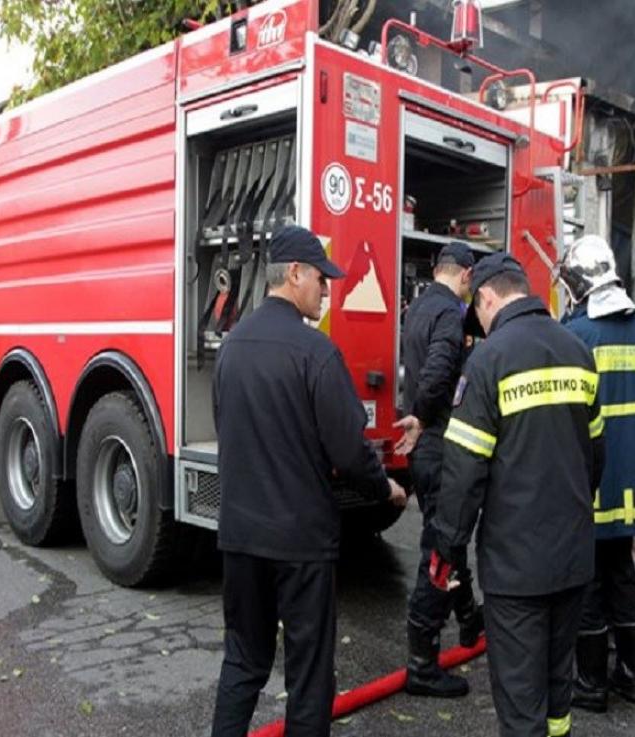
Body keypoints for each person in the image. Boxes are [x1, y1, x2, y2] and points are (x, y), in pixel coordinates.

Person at [211, 225, 408, 737]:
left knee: (243, 662)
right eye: (322, 279)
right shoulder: (315, 353)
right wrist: (386, 490)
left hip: (240, 538)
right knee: (309, 675)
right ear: (294, 274)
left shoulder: (231, 348)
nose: (327, 290)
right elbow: (349, 450)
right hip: (300, 542)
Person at [431, 252, 605, 737]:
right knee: (557, 693)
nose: (481, 326)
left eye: (478, 314)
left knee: (520, 703)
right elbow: (595, 458)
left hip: (516, 568)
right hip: (572, 557)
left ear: (487, 297)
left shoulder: (489, 360)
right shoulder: (577, 350)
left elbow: (463, 475)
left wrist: (446, 549)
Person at [560, 235, 635, 714]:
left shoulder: (578, 336)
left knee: (587, 582)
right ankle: (630, 676)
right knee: (622, 575)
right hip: (628, 490)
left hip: (588, 489)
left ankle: (590, 683)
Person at [393, 242, 484, 698]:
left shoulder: (419, 306)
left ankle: (469, 619)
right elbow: (439, 369)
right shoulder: (451, 312)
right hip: (439, 440)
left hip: (423, 446)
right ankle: (422, 665)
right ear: (466, 276)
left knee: (448, 538)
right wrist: (426, 416)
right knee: (440, 548)